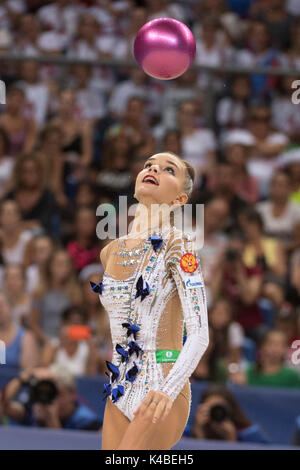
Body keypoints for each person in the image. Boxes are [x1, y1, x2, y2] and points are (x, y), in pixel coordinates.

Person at [95, 152, 209, 450]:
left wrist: (168, 390)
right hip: (119, 387)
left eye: (168, 169)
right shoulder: (110, 251)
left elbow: (200, 334)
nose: (154, 168)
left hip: (163, 381)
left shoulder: (179, 245)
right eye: (148, 165)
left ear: (181, 199)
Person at [2, 365, 100, 431]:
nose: (54, 399)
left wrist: (52, 420)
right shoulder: (34, 409)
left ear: (72, 394)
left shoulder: (87, 422)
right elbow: (2, 405)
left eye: (58, 394)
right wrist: (22, 379)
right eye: (50, 393)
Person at [190, 384, 269, 443]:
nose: (216, 413)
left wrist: (231, 438)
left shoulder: (249, 435)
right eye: (211, 408)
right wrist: (198, 432)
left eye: (219, 408)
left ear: (230, 408)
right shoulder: (190, 431)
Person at [230, 329, 300, 388]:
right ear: (262, 347)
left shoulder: (292, 376)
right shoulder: (249, 373)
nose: (275, 348)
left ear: (285, 349)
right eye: (271, 343)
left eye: (280, 345)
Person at [0, 291, 39, 370]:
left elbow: (29, 372)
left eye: (1, 305)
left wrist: (16, 382)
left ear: (11, 307)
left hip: (16, 381)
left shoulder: (25, 337)